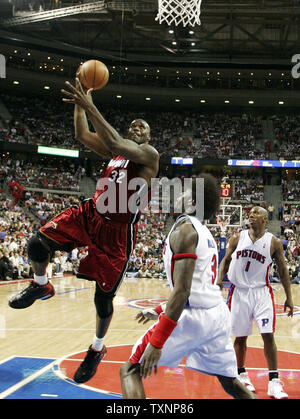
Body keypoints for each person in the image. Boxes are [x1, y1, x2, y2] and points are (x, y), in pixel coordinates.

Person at [8, 77, 160, 384]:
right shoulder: (116, 154)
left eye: (142, 127)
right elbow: (81, 134)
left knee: (102, 300)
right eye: (133, 125)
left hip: (117, 231)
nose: (137, 128)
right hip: (91, 213)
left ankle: (97, 348)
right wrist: (81, 102)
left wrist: (90, 103)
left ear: (148, 136)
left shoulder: (149, 156)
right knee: (38, 243)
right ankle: (41, 284)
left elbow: (117, 142)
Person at [120, 174, 256, 399]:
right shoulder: (204, 233)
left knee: (130, 370)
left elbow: (183, 291)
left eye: (184, 192)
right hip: (217, 315)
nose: (179, 194)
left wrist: (157, 341)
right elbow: (198, 288)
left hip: (193, 319)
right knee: (231, 382)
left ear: (193, 202)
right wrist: (158, 310)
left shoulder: (185, 230)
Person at [217, 206, 294, 399]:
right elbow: (225, 261)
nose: (251, 216)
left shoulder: (273, 242)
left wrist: (289, 297)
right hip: (239, 292)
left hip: (261, 292)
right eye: (250, 214)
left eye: (256, 214)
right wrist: (219, 279)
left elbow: (284, 271)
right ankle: (241, 374)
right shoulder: (237, 237)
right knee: (240, 337)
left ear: (265, 219)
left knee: (268, 336)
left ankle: (274, 382)